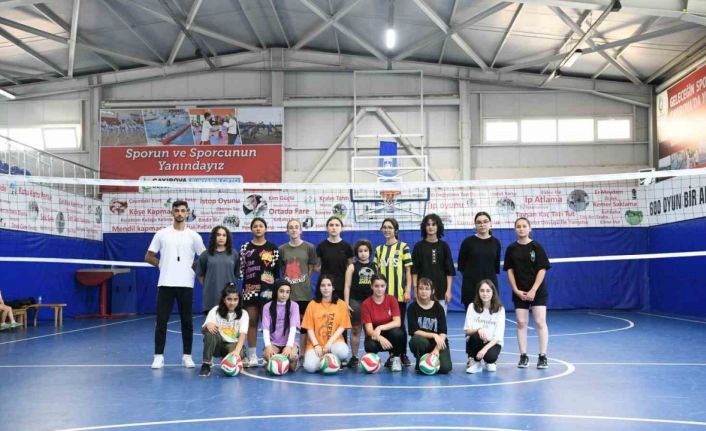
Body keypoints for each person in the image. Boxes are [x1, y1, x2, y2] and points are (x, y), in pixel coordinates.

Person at [145, 200, 206, 369]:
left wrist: (191, 267)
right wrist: (161, 264)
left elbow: (204, 257)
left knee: (187, 322)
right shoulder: (162, 234)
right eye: (177, 210)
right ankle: (158, 356)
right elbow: (148, 256)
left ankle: (187, 356)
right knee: (161, 321)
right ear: (171, 212)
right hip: (165, 283)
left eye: (183, 210)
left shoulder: (194, 236)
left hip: (186, 285)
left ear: (187, 213)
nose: (180, 213)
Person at [504, 217, 551, 369]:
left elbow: (542, 270)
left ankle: (542, 356)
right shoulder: (511, 249)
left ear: (530, 228)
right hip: (520, 292)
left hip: (537, 291)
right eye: (518, 226)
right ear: (515, 229)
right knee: (521, 323)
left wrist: (533, 290)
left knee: (539, 322)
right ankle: (523, 356)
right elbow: (510, 271)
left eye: (524, 226)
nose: (521, 228)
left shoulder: (537, 247)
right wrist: (516, 290)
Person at [239, 217, 280, 368]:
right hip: (250, 290)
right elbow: (241, 270)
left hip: (267, 291)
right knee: (252, 321)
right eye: (255, 226)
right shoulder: (245, 247)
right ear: (251, 229)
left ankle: (270, 354)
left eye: (261, 226)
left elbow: (276, 272)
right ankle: (252, 355)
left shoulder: (273, 248)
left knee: (269, 323)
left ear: (265, 229)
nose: (258, 228)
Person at [374, 217, 412, 367]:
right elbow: (376, 273)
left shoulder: (403, 247)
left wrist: (407, 290)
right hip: (382, 296)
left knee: (399, 326)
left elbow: (408, 271)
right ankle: (392, 355)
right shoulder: (379, 249)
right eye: (384, 227)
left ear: (395, 230)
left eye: (390, 227)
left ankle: (403, 354)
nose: (387, 230)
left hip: (398, 295)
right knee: (388, 326)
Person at [278, 219, 318, 358]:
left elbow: (311, 267)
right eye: (291, 227)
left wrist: (303, 279)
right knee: (287, 324)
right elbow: (282, 269)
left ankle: (303, 353)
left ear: (301, 230)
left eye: (296, 227)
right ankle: (288, 351)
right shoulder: (282, 249)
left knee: (304, 325)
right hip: (288, 294)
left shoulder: (309, 247)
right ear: (287, 231)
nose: (294, 229)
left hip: (304, 293)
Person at [300, 274, 351, 373]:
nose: (326, 288)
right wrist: (316, 345)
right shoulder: (312, 304)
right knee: (310, 367)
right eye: (323, 285)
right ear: (319, 288)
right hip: (316, 344)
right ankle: (325, 359)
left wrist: (329, 344)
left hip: (333, 343)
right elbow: (309, 328)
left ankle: (333, 358)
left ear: (333, 287)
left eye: (329, 285)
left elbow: (342, 327)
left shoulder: (341, 304)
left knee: (343, 352)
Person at [199, 283, 248, 377]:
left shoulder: (243, 313)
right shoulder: (215, 310)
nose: (232, 303)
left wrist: (237, 352)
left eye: (235, 299)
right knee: (210, 332)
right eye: (229, 299)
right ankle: (206, 364)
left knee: (239, 353)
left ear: (239, 300)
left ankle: (236, 357)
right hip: (218, 344)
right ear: (224, 300)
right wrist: (207, 325)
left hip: (232, 344)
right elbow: (203, 331)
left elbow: (243, 334)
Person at [412, 213, 456, 314]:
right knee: (423, 320)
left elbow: (449, 271)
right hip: (423, 292)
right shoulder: (418, 246)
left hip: (441, 291)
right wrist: (415, 289)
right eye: (428, 224)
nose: (431, 227)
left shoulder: (444, 246)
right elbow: (414, 270)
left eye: (433, 224)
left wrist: (448, 291)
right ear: (424, 227)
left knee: (441, 320)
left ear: (438, 226)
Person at [458, 211, 502, 312]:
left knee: (490, 318)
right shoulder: (467, 242)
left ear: (490, 224)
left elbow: (495, 267)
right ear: (475, 225)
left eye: (485, 221)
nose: (482, 224)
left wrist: (486, 287)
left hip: (490, 287)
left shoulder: (496, 243)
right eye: (479, 222)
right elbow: (461, 266)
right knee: (472, 319)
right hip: (471, 287)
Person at [407, 277, 452, 374]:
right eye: (421, 288)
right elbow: (414, 331)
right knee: (417, 340)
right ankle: (420, 360)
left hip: (438, 343)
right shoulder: (412, 308)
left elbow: (443, 332)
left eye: (427, 289)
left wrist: (436, 349)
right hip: (423, 342)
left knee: (445, 368)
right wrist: (434, 335)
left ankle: (431, 358)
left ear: (432, 291)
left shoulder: (438, 308)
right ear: (417, 290)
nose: (424, 291)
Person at [361, 274, 406, 372]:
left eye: (382, 286)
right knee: (370, 345)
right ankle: (373, 361)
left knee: (398, 333)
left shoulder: (392, 299)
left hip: (391, 337)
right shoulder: (366, 304)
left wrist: (380, 327)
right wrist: (380, 338)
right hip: (375, 337)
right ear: (371, 286)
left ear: (386, 286)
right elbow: (369, 330)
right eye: (376, 286)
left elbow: (397, 322)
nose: (380, 289)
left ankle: (396, 358)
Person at [344, 239, 377, 369]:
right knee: (356, 329)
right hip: (355, 301)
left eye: (365, 251)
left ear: (369, 252)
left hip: (370, 302)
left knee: (370, 330)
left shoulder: (375, 266)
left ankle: (371, 356)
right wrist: (346, 303)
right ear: (357, 253)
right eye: (360, 251)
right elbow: (347, 286)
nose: (363, 253)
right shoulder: (352, 266)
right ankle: (354, 357)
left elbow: (378, 285)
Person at [464, 279, 505, 374]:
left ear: (493, 292)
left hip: (492, 342)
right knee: (474, 336)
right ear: (478, 292)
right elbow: (467, 331)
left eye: (488, 291)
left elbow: (498, 337)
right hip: (477, 340)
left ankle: (489, 361)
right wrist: (478, 329)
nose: (485, 294)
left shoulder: (500, 309)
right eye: (482, 291)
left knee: (490, 361)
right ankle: (476, 363)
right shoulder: (472, 306)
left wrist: (484, 350)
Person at [196, 225, 239, 312]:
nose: (221, 237)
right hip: (211, 297)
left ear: (227, 238)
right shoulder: (205, 254)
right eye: (218, 235)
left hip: (228, 297)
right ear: (213, 237)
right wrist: (208, 286)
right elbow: (200, 274)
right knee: (211, 320)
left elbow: (236, 274)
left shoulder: (234, 254)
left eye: (224, 235)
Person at [262, 280, 301, 370]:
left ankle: (291, 358)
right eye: (281, 291)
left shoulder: (294, 306)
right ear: (276, 291)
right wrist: (268, 346)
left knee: (291, 359)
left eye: (287, 292)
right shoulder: (267, 307)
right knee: (268, 356)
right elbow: (265, 329)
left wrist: (289, 346)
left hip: (290, 343)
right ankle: (277, 359)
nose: (284, 295)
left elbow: (293, 328)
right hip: (274, 343)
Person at [316, 216, 354, 300]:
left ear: (341, 228)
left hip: (342, 286)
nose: (334, 227)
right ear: (327, 228)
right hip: (326, 286)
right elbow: (317, 267)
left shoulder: (347, 247)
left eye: (337, 225)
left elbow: (351, 267)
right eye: (331, 225)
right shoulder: (321, 246)